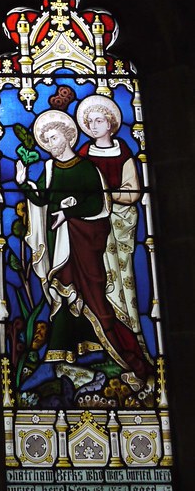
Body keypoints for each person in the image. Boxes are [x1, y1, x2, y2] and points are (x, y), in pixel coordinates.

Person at [15, 110, 152, 389]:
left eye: (54, 138)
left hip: (83, 245)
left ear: (67, 137)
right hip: (58, 245)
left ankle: (123, 357)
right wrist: (22, 183)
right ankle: (61, 358)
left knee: (94, 299)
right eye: (46, 141)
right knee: (63, 299)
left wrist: (69, 213)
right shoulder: (50, 169)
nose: (50, 144)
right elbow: (41, 199)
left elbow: (98, 205)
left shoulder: (87, 168)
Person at [76, 95, 142, 334]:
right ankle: (99, 331)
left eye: (99, 121)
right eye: (89, 122)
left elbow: (132, 191)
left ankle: (127, 326)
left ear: (111, 123)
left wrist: (105, 195)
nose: (93, 126)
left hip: (121, 222)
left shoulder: (123, 152)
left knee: (122, 274)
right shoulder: (84, 153)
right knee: (96, 274)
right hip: (92, 224)